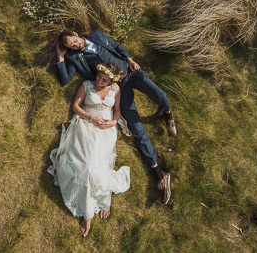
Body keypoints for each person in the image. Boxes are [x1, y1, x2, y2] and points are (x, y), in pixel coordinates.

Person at [55, 29, 175, 205]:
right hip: (119, 90)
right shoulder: (74, 57)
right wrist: (61, 57)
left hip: (131, 72)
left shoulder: (96, 35)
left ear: (75, 33)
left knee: (161, 96)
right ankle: (159, 173)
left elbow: (117, 46)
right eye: (70, 45)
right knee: (136, 129)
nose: (75, 45)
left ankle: (167, 114)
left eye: (73, 40)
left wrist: (130, 59)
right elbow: (65, 79)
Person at [48, 62, 130, 237]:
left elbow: (116, 110)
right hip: (86, 125)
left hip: (106, 129)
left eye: (104, 80)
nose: (99, 81)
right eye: (99, 77)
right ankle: (88, 214)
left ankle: (103, 195)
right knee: (87, 166)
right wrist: (91, 118)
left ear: (110, 82)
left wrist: (114, 122)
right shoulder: (86, 85)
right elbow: (76, 107)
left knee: (100, 164)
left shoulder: (115, 90)